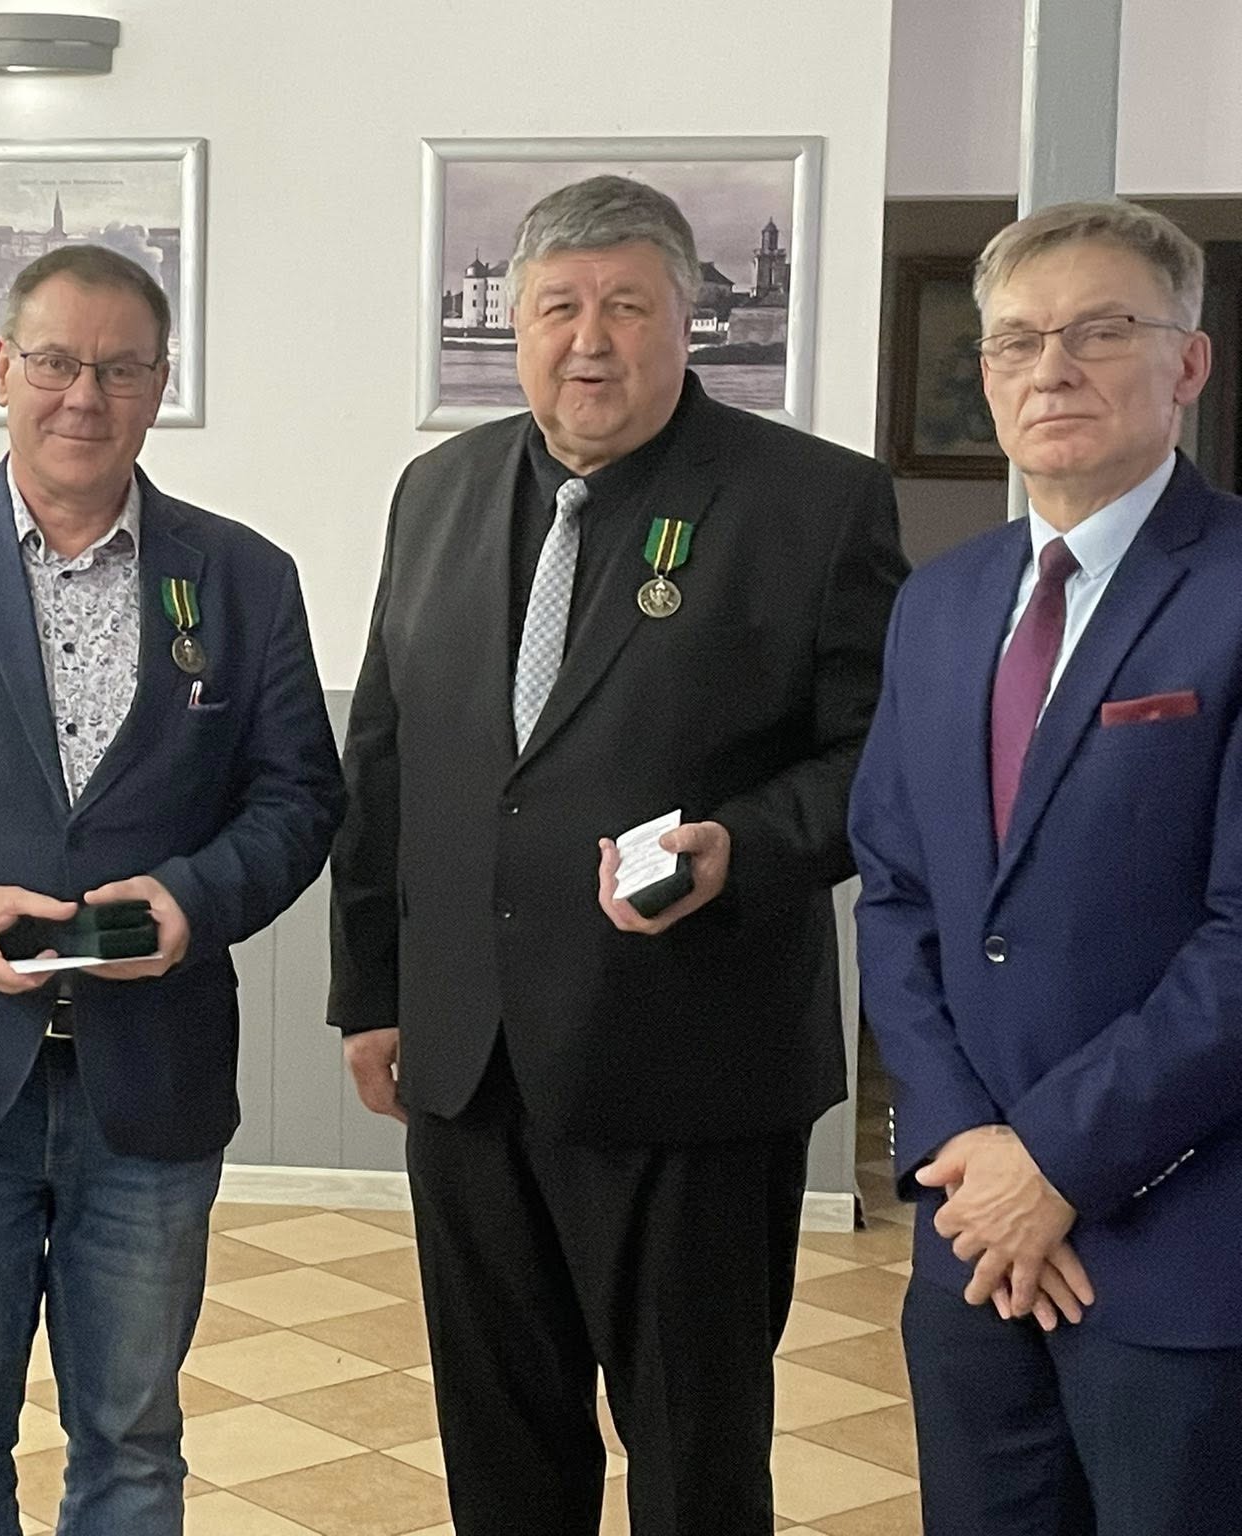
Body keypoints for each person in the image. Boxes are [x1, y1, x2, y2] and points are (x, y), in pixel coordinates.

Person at [327, 175, 906, 1535]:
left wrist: (740, 846)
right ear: (516, 325)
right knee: (501, 1450)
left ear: (686, 321)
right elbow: (388, 757)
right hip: (470, 1070)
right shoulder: (438, 491)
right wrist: (372, 993)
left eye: (627, 307)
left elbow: (881, 758)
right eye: (558, 308)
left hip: (690, 1070)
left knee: (696, 1462)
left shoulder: (813, 501)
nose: (589, 341)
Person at [0, 243, 343, 1536]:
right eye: (54, 361)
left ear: (160, 385)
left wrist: (194, 902)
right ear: (0, 369)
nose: (83, 395)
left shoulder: (244, 577)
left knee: (134, 1450)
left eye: (120, 368)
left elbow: (300, 797)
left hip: (150, 1088)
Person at [850, 198, 1242, 1534]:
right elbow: (897, 894)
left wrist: (1059, 1162)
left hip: (1185, 1254)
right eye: (1015, 341)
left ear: (1189, 363)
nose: (1052, 368)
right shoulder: (939, 603)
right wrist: (966, 1145)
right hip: (971, 1245)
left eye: (1101, 330)